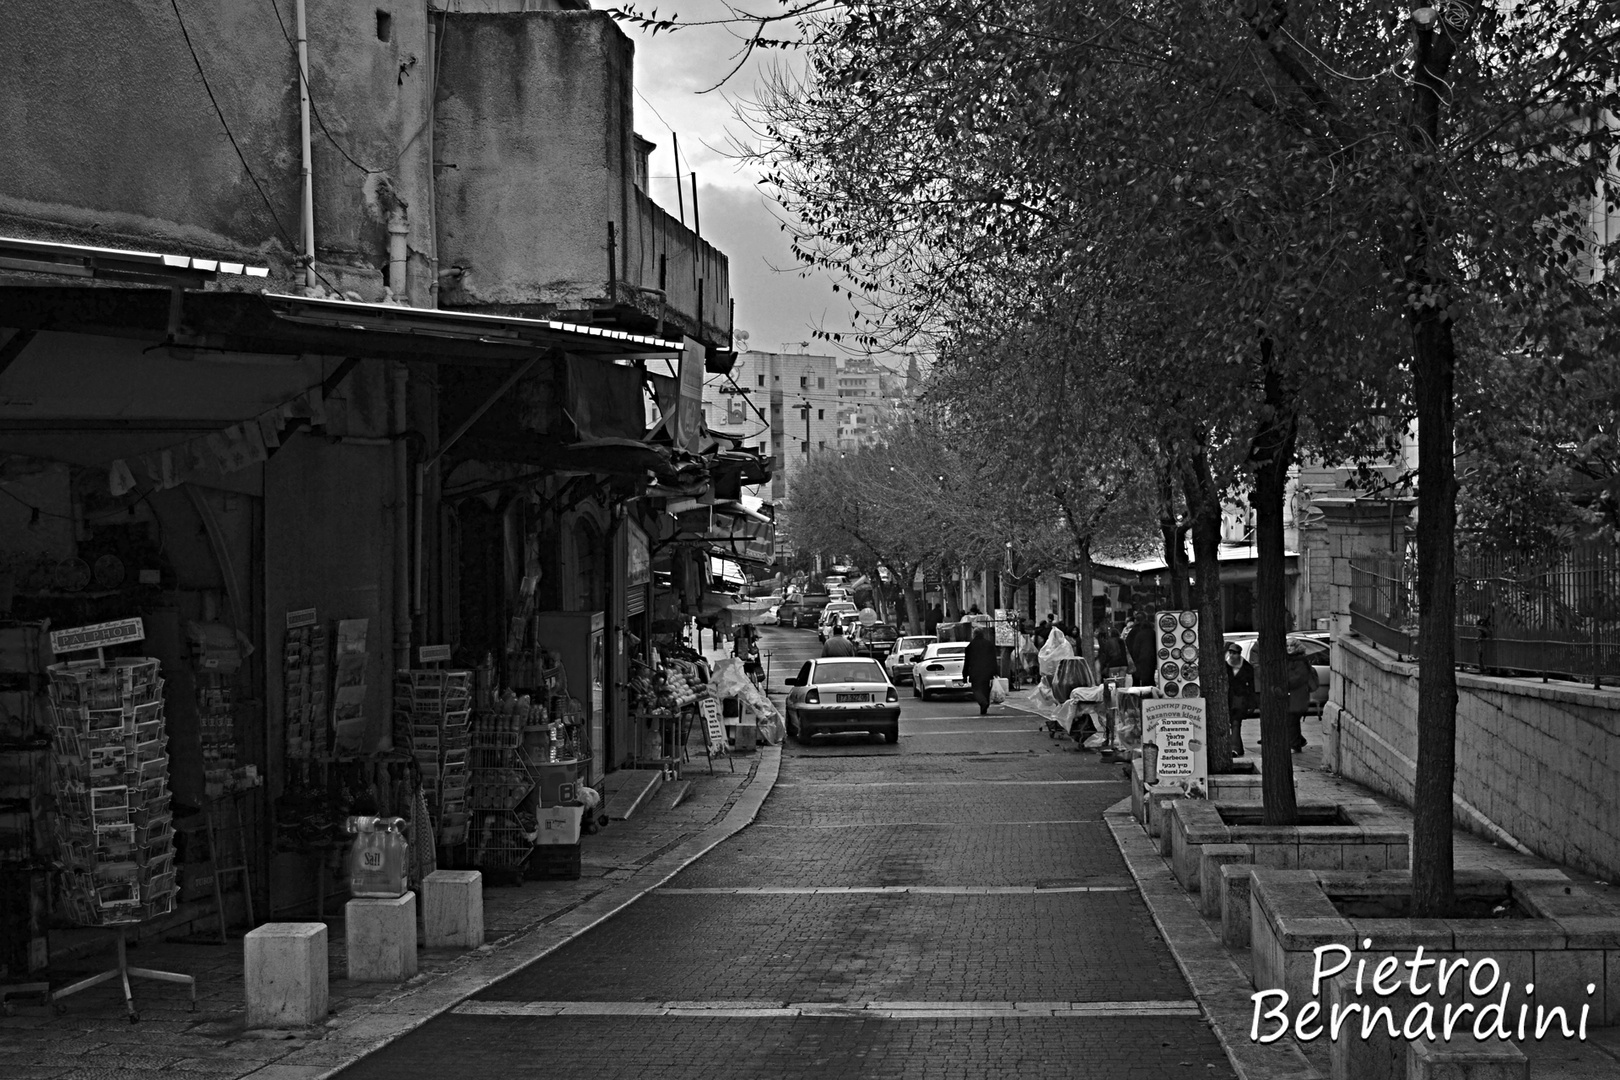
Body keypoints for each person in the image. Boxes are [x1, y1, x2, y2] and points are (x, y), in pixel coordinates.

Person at [1284, 641, 1319, 753]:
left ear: (1297, 648)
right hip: (1293, 696)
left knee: (1292, 720)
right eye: (1287, 646)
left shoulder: (1300, 661)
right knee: (1291, 720)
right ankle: (1299, 741)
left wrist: (1285, 683)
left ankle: (1295, 745)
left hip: (1298, 695)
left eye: (1291, 646)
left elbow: (1299, 677)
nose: (1289, 648)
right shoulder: (1289, 659)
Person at [1224, 642, 1256, 757]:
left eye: (1234, 653)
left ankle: (1235, 748)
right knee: (1233, 724)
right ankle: (1239, 748)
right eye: (1230, 653)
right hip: (1227, 699)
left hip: (1241, 699)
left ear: (1239, 654)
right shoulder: (1225, 666)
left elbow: (1251, 686)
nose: (1232, 655)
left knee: (1236, 723)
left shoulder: (1247, 667)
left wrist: (1252, 703)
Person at [964, 625, 999, 716]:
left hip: (975, 671)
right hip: (987, 670)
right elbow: (993, 658)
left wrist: (964, 674)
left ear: (974, 634)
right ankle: (984, 707)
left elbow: (967, 661)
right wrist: (995, 671)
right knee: (986, 689)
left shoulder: (970, 646)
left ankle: (983, 703)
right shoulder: (989, 644)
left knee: (976, 689)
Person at [1124, 610, 1157, 686]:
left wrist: (1133, 657)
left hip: (1137, 659)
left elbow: (1130, 645)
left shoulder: (1134, 631)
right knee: (1149, 679)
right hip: (1150, 659)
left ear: (1136, 620)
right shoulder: (1152, 632)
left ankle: (1137, 695)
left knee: (1136, 680)